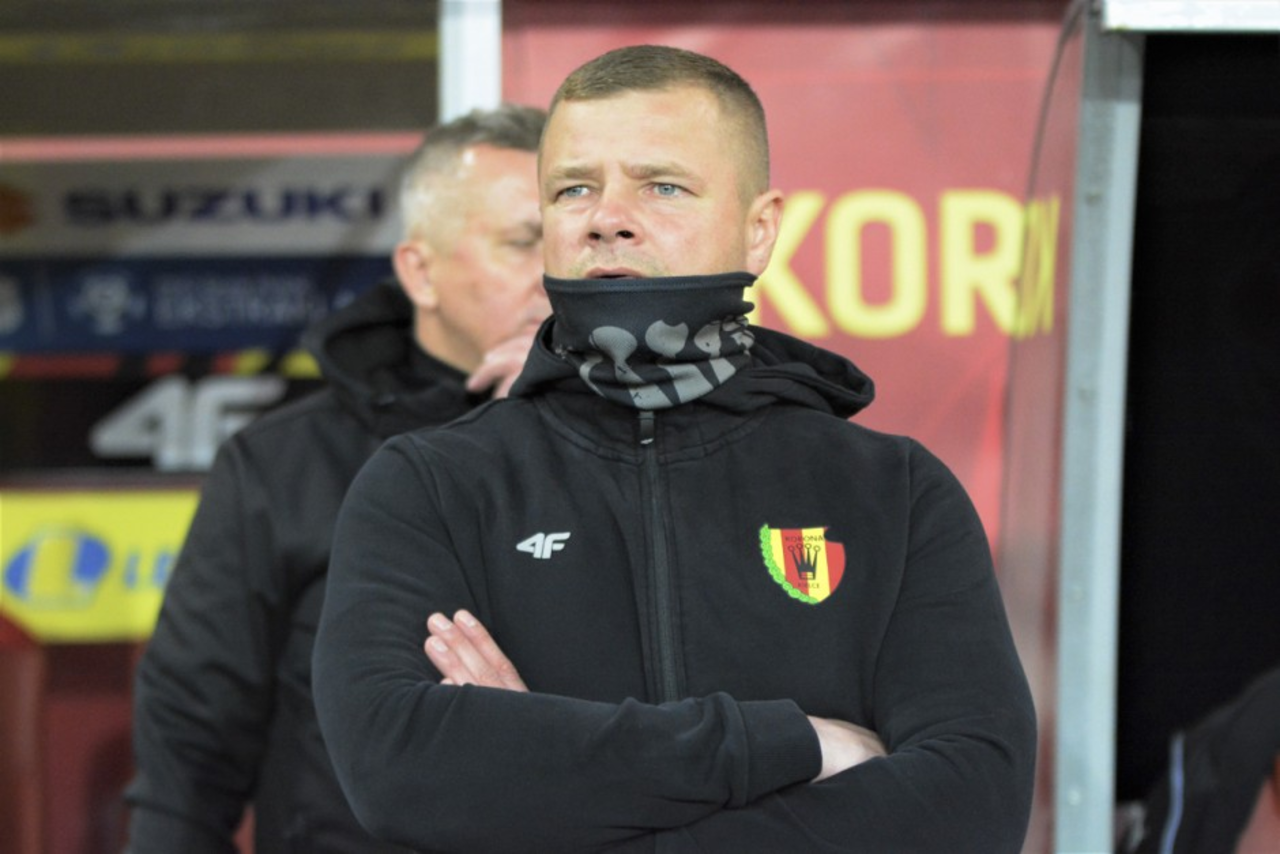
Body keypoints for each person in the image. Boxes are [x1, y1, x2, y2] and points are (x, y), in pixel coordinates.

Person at [313, 45, 1036, 853]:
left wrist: (545, 779)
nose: (606, 217)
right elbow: (398, 766)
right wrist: (794, 745)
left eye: (662, 186)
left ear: (759, 230)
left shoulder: (893, 491)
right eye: (573, 188)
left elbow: (972, 803)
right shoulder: (432, 485)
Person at [124, 103, 550, 853]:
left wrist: (563, 413)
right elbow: (190, 754)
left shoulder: (644, 438)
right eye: (523, 243)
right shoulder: (283, 463)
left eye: (576, 243)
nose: (555, 276)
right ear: (420, 271)